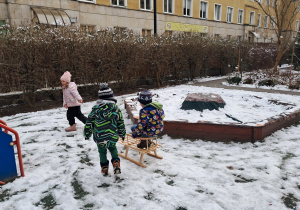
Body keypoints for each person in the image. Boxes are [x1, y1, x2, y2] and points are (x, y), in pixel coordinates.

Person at [84, 83, 126, 176]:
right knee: (113, 148)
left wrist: (87, 133)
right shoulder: (115, 109)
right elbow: (120, 122)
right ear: (111, 96)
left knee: (102, 152)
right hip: (112, 136)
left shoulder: (95, 109)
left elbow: (89, 122)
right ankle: (116, 163)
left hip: (100, 137)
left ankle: (104, 168)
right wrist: (122, 133)